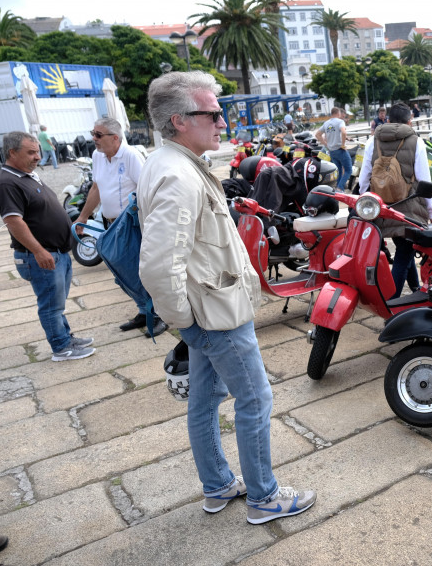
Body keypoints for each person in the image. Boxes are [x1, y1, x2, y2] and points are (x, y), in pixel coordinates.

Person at [137, 71, 315, 525]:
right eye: (213, 113)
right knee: (255, 400)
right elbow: (158, 266)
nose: (223, 122)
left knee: (204, 399)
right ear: (178, 120)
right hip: (214, 315)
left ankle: (217, 485)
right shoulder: (179, 175)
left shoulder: (173, 163)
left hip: (207, 309)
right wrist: (187, 321)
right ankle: (264, 497)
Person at [0, 132, 95, 361]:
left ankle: (65, 337)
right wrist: (39, 251)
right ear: (12, 153)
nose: (37, 157)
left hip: (57, 251)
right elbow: (13, 221)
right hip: (41, 256)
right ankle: (61, 348)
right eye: (31, 152)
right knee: (50, 305)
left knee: (57, 303)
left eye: (38, 151)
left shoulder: (26, 175)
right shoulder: (7, 181)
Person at [74, 118, 167, 337]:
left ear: (115, 138)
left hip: (131, 224)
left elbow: (148, 189)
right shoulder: (97, 156)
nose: (93, 139)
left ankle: (159, 314)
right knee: (123, 273)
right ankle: (144, 311)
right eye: (93, 133)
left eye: (98, 135)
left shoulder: (131, 156)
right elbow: (96, 187)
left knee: (141, 271)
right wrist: (83, 216)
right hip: (111, 222)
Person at [359, 102, 432, 298]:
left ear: (387, 119)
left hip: (382, 206)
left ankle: (415, 289)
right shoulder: (416, 142)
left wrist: (365, 203)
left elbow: (364, 178)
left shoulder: (372, 141)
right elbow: (424, 179)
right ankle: (391, 302)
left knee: (404, 247)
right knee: (404, 253)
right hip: (409, 206)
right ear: (409, 121)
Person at [315, 107, 351, 191]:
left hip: (332, 151)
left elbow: (317, 134)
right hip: (340, 150)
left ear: (332, 114)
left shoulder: (326, 123)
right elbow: (344, 132)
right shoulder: (340, 121)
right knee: (348, 170)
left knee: (338, 171)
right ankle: (340, 188)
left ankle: (337, 190)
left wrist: (325, 144)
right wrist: (343, 144)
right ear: (338, 113)